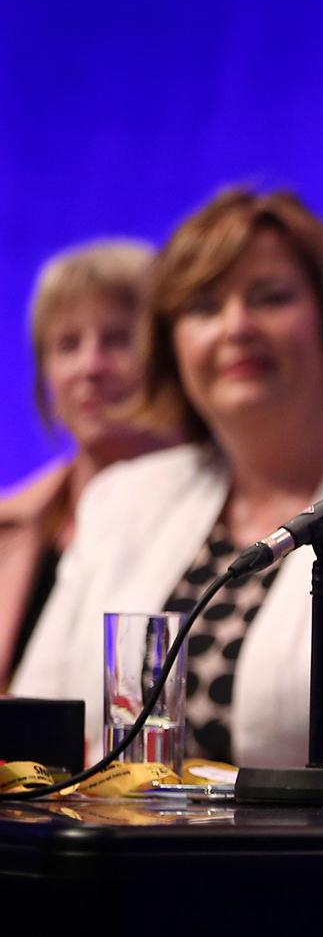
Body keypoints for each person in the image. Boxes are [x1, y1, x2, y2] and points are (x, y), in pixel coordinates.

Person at [12, 189, 323, 769]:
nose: (235, 327)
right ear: (170, 345)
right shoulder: (123, 497)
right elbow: (34, 721)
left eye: (270, 298)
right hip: (111, 849)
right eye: (203, 308)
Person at [1, 240, 177, 689]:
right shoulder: (9, 521)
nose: (90, 366)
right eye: (67, 345)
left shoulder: (221, 515)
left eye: (118, 340)